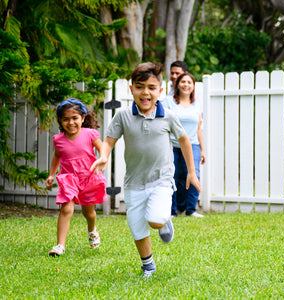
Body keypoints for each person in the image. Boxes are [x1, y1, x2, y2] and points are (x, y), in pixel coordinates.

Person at [90, 62, 201, 277]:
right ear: (131, 89)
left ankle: (165, 222)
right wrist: (103, 156)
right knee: (137, 227)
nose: (145, 93)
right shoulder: (122, 116)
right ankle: (148, 265)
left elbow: (185, 140)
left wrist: (191, 171)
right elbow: (109, 141)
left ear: (160, 91)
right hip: (134, 183)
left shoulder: (167, 115)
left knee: (155, 219)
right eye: (140, 87)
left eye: (151, 87)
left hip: (161, 180)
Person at [46, 98, 107, 257]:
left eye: (75, 118)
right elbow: (57, 157)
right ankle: (60, 245)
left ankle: (92, 229)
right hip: (69, 178)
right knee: (66, 209)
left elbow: (103, 150)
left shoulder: (90, 134)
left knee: (89, 213)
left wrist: (103, 161)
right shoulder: (58, 140)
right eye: (66, 119)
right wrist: (52, 175)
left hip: (88, 178)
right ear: (60, 120)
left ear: (83, 118)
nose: (71, 122)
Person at [163, 72, 206, 217]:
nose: (186, 85)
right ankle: (172, 211)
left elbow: (198, 129)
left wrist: (203, 150)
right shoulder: (169, 102)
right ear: (177, 84)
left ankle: (191, 210)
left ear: (193, 86)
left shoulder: (196, 105)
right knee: (172, 177)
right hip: (173, 145)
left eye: (189, 82)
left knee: (194, 175)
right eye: (183, 82)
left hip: (192, 145)